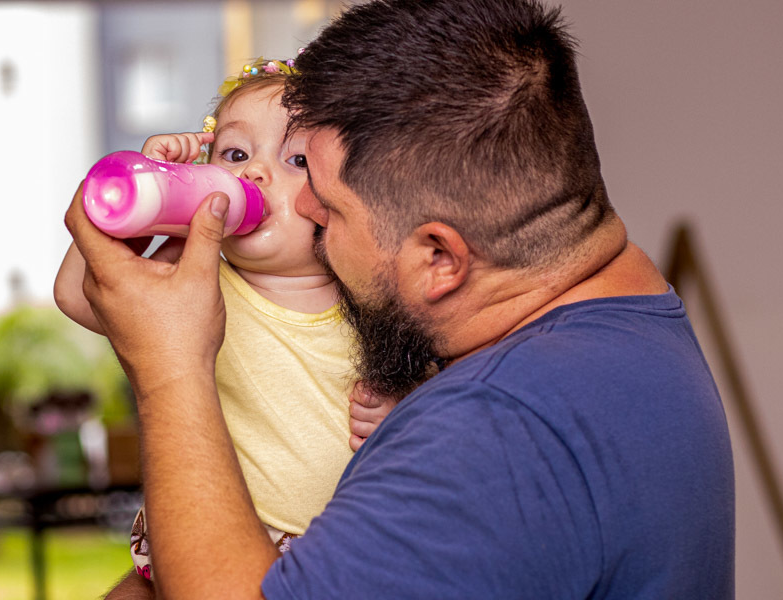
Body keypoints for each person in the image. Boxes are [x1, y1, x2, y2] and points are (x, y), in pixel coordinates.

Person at [65, 0, 735, 598]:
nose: (307, 212)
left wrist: (171, 370)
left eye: (329, 207)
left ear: (438, 258)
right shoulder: (634, 326)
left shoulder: (498, 430)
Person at [54, 57, 400, 596]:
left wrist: (401, 410)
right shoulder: (193, 285)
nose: (254, 173)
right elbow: (76, 295)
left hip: (334, 551)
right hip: (201, 536)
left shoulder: (376, 299)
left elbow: (444, 388)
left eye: (296, 159)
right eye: (235, 154)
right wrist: (138, 199)